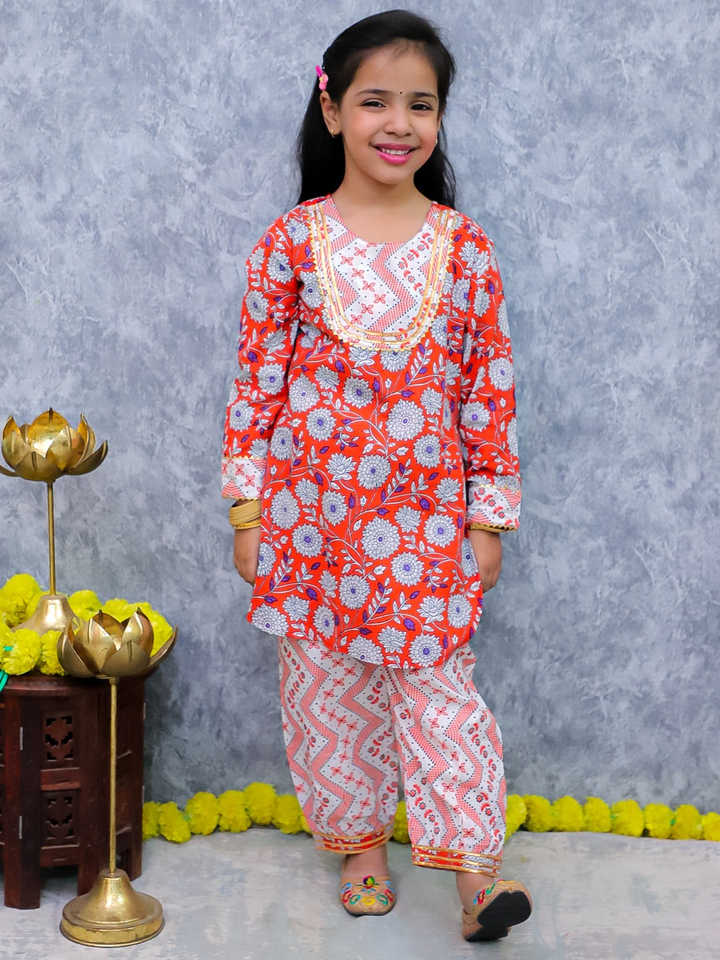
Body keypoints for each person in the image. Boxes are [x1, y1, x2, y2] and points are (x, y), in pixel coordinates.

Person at [222, 9, 531, 942]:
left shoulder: (465, 248)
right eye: (376, 102)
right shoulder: (290, 242)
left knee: (442, 695)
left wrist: (487, 519)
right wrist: (248, 512)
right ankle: (359, 848)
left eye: (421, 105)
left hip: (428, 527)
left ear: (439, 119)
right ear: (332, 110)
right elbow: (256, 385)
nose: (399, 124)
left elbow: (488, 391)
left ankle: (477, 879)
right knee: (327, 694)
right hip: (310, 523)